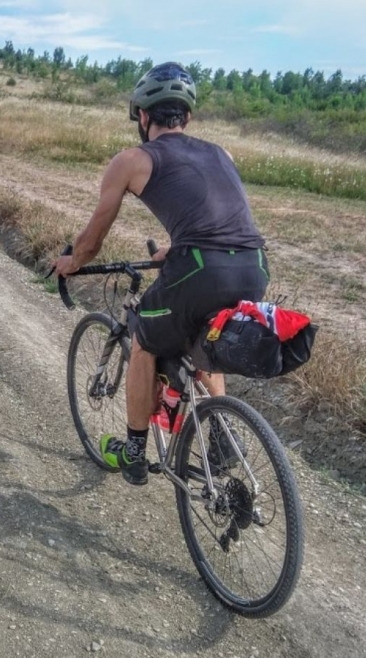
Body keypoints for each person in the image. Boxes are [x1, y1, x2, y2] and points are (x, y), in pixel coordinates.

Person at [52, 62, 269, 485]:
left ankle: (133, 452)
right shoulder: (220, 153)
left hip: (202, 270)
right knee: (204, 336)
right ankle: (223, 439)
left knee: (144, 340)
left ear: (143, 116)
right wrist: (178, 247)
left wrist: (71, 262)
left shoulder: (132, 160)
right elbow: (220, 219)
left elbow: (93, 239)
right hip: (253, 266)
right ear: (186, 117)